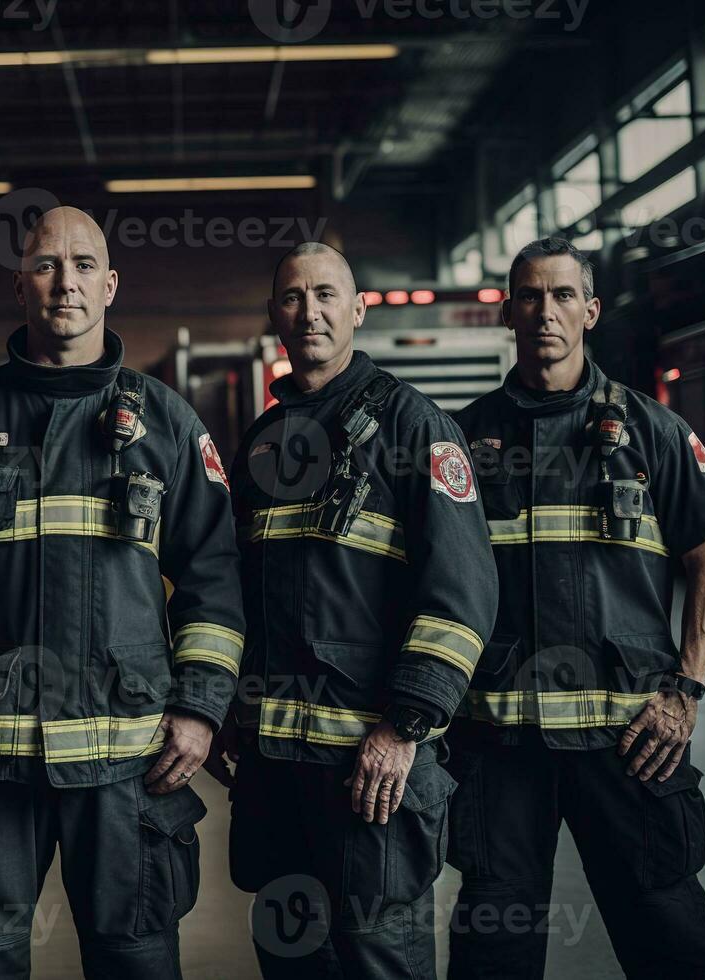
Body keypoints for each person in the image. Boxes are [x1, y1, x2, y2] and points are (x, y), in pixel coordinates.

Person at [0, 206, 244, 979]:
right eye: (46, 265)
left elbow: (214, 574)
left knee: (135, 961)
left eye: (82, 266)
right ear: (20, 286)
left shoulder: (168, 424)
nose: (64, 281)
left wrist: (201, 710)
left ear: (109, 285)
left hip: (128, 769)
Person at [446, 237, 705, 979]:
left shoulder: (653, 431)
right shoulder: (462, 439)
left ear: (590, 310)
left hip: (630, 741)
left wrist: (685, 691)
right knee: (494, 947)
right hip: (501, 742)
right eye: (528, 297)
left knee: (669, 935)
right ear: (508, 313)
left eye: (560, 296)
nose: (544, 312)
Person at [218, 241, 497, 978]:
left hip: (368, 774)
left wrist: (404, 728)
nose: (309, 312)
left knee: (378, 960)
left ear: (357, 309)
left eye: (326, 295)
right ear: (274, 313)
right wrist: (223, 711)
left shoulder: (416, 430)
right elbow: (237, 598)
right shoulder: (262, 444)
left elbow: (462, 595)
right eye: (292, 297)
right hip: (275, 777)